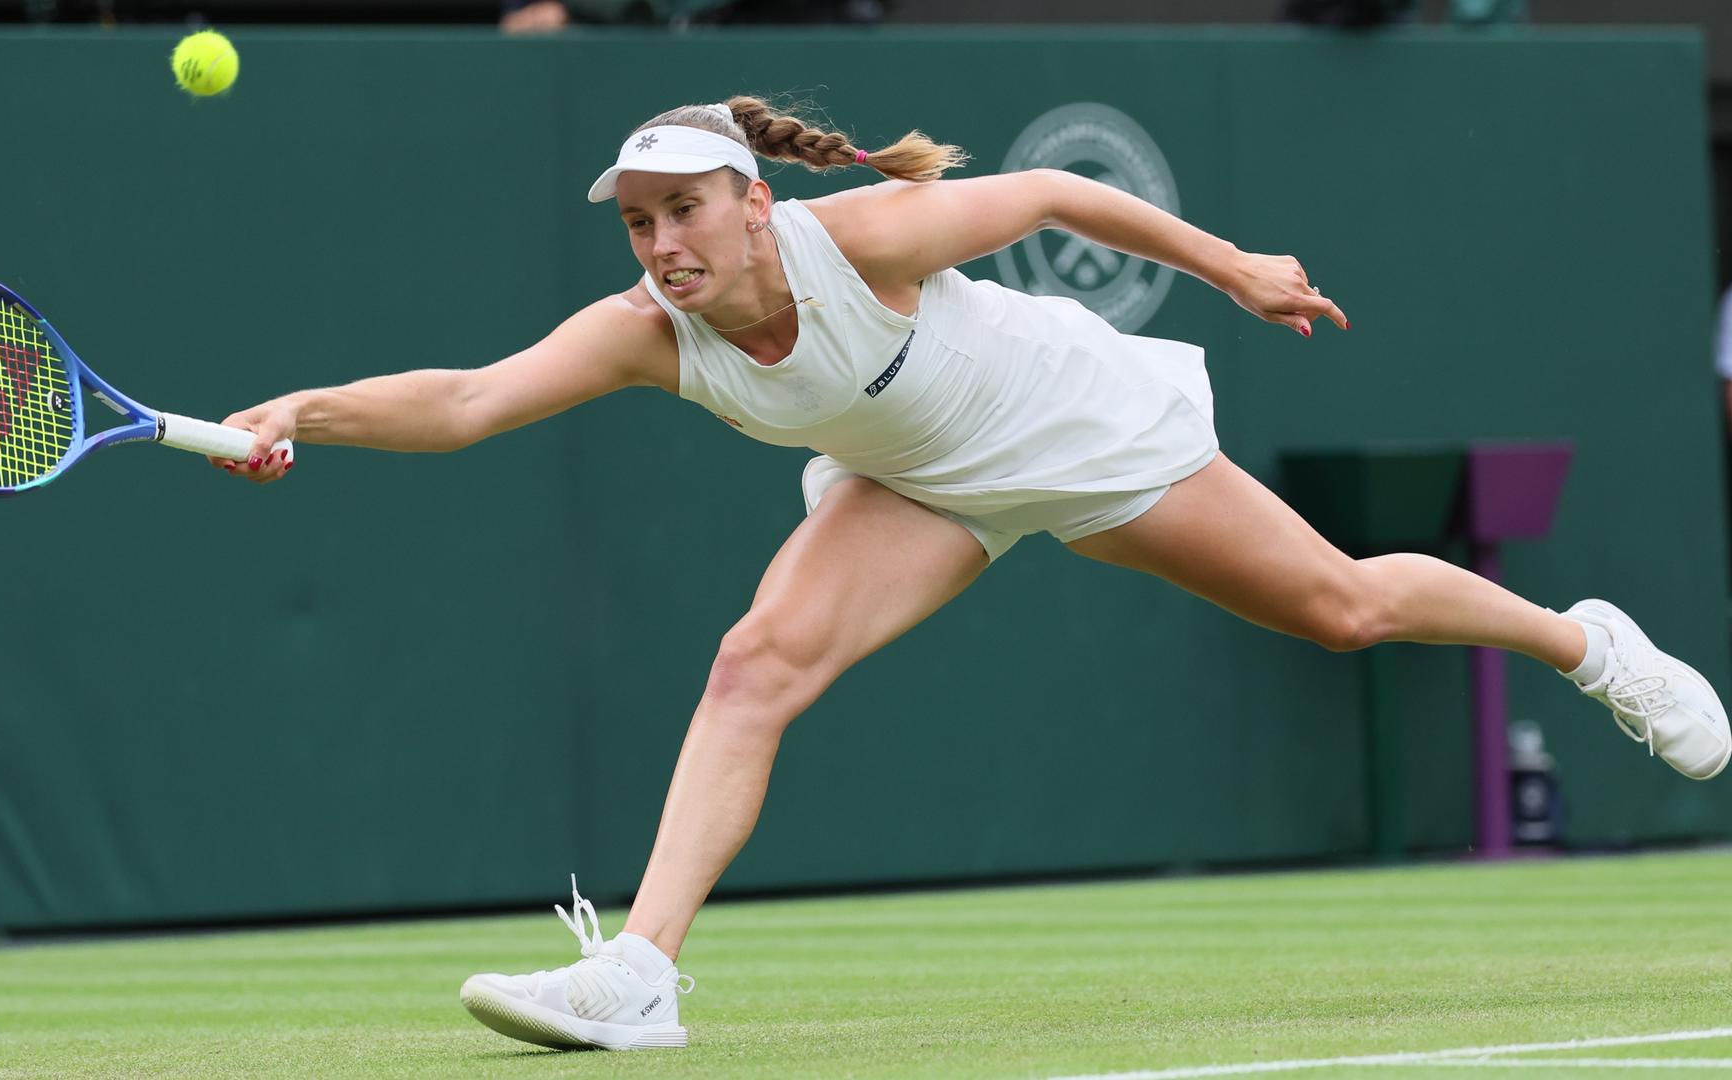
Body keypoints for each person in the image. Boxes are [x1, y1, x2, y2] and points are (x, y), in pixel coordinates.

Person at [212, 97, 1731, 1051]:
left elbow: (1061, 199)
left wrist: (1239, 269)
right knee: (757, 663)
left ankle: (1586, 646)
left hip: (1068, 427)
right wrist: (304, 413)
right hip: (916, 482)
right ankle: (643, 976)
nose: (660, 243)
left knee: (1343, 606)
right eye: (638, 220)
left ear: (752, 204)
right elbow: (473, 400)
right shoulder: (643, 328)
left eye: (683, 211)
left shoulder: (866, 235)